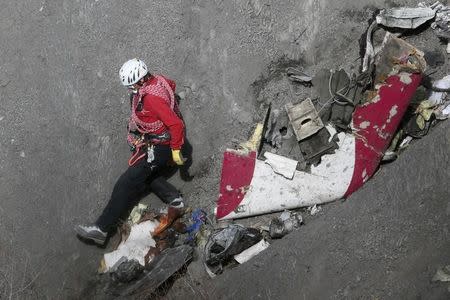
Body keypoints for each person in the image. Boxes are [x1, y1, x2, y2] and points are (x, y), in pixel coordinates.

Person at [75, 58, 186, 245]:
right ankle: (175, 200)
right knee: (145, 176)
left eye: (131, 85)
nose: (130, 90)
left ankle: (101, 229)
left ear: (141, 80)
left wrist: (175, 149)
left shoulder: (150, 99)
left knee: (126, 183)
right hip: (160, 143)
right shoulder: (157, 80)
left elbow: (176, 124)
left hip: (160, 147)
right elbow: (171, 85)